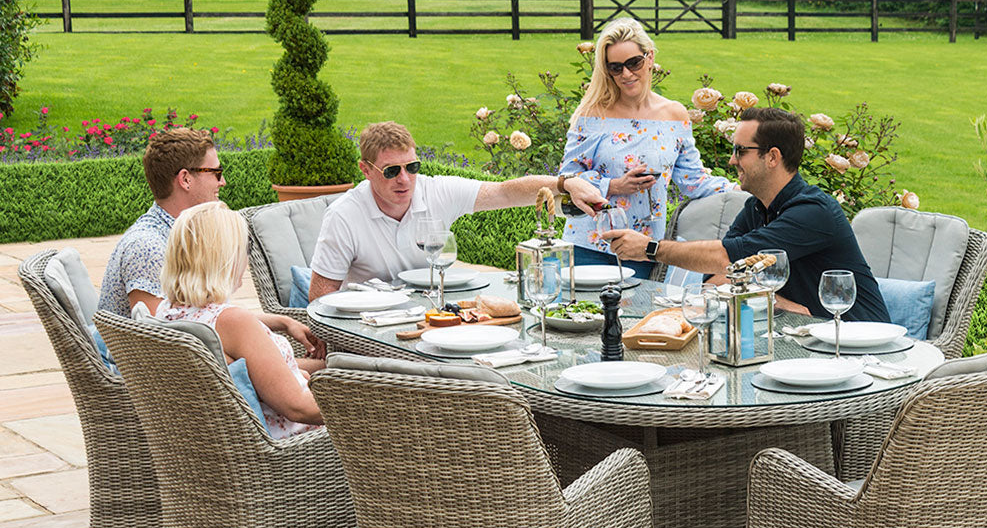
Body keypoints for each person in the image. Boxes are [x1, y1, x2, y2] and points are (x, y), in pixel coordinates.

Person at [603, 107, 889, 321]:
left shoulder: (813, 212)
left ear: (773, 157)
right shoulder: (756, 208)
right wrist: (775, 300)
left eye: (741, 151)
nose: (731, 160)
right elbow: (719, 276)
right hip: (804, 335)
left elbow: (727, 257)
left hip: (858, 342)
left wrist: (650, 249)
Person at [307, 121, 607, 300]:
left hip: (429, 312)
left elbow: (505, 191)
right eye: (391, 171)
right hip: (369, 323)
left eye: (412, 167)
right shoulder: (345, 215)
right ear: (365, 170)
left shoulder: (435, 191)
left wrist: (566, 184)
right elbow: (321, 295)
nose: (404, 179)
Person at [97, 126, 325, 357]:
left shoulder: (183, 236)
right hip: (156, 380)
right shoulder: (148, 247)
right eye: (216, 172)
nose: (222, 181)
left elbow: (194, 319)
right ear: (185, 179)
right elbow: (166, 344)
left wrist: (282, 322)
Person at [557, 18, 735, 279]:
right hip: (587, 245)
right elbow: (566, 178)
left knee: (635, 318)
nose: (626, 74)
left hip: (641, 248)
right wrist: (614, 186)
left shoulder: (674, 115)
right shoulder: (593, 114)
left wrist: (741, 189)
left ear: (649, 57)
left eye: (634, 63)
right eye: (615, 68)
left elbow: (693, 181)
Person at [156, 202, 323, 439]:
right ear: (226, 256)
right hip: (300, 447)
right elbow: (299, 408)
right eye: (246, 246)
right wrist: (364, 403)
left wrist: (282, 322)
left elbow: (219, 325)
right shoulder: (234, 322)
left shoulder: (169, 311)